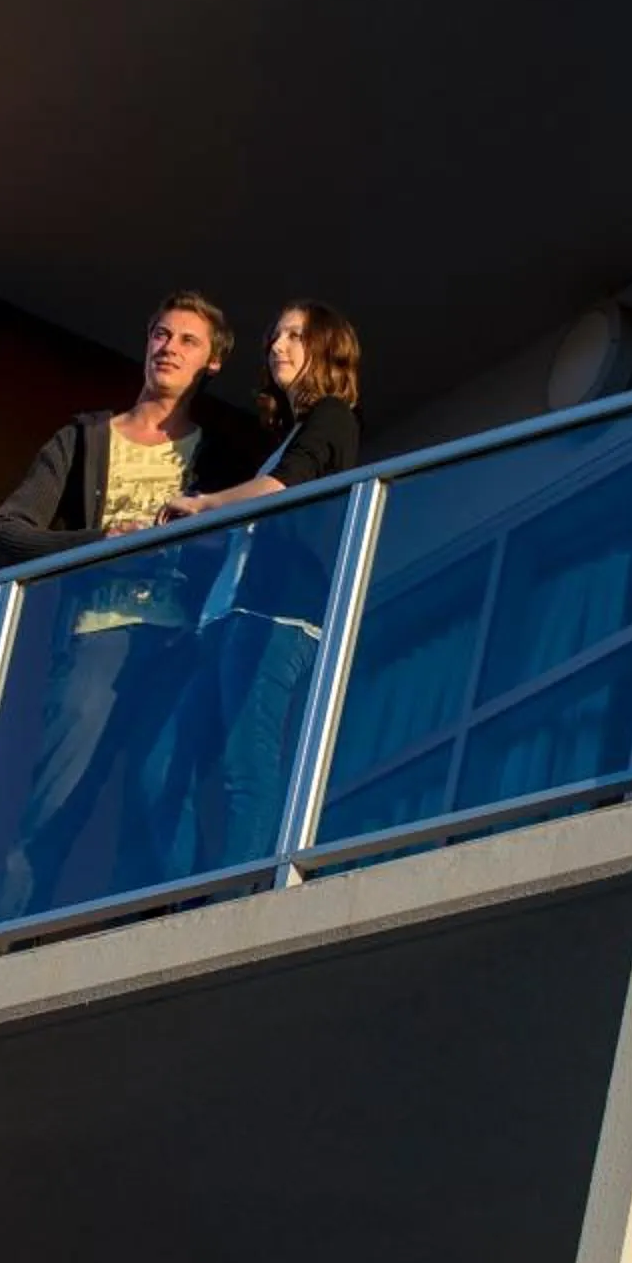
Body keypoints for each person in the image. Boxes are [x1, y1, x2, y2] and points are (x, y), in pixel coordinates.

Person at [0, 292, 241, 917]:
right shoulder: (85, 438)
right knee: (54, 806)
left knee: (160, 800)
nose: (168, 348)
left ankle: (157, 950)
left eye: (187, 340)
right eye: (160, 334)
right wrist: (101, 542)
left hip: (181, 648)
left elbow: (249, 540)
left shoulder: (221, 451)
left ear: (212, 362)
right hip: (97, 640)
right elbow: (4, 536)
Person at [155, 302, 364, 868]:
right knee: (163, 769)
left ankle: (236, 906)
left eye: (296, 336)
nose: (278, 346)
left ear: (327, 348)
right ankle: (178, 900)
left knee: (248, 763)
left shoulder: (332, 416)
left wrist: (204, 504)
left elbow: (280, 489)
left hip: (276, 618)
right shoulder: (291, 432)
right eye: (275, 335)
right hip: (231, 616)